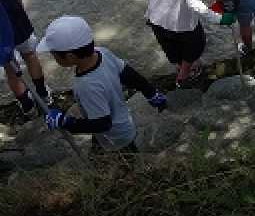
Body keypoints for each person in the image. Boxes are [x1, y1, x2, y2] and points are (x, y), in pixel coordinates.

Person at [38, 15, 167, 154]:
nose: (53, 57)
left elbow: (102, 124)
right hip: (124, 124)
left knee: (120, 163)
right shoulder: (102, 53)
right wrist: (150, 92)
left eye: (54, 54)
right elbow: (129, 74)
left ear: (70, 56)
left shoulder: (86, 85)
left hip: (114, 138)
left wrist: (66, 122)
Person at [0, 0, 51, 118]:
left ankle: (27, 106)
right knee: (29, 54)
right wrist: (19, 5)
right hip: (11, 10)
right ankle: (43, 94)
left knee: (9, 67)